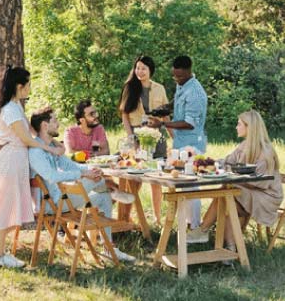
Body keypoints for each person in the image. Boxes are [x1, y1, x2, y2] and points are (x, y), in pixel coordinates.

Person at [0, 66, 65, 268]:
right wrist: (50, 151)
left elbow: (33, 131)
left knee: (15, 207)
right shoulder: (9, 109)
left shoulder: (17, 107)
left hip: (18, 160)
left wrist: (53, 141)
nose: (30, 87)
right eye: (28, 84)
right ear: (19, 86)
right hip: (11, 160)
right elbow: (26, 138)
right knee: (6, 205)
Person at [28, 107, 136, 262]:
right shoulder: (36, 152)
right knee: (93, 179)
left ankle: (109, 249)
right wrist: (83, 174)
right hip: (52, 204)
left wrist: (89, 168)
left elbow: (69, 165)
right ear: (45, 125)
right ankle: (111, 188)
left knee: (103, 197)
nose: (58, 124)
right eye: (55, 120)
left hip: (61, 199)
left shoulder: (50, 147)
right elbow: (51, 176)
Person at [186, 110, 283, 255]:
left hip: (266, 196)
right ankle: (229, 250)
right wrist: (204, 161)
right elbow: (227, 162)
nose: (236, 127)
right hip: (248, 191)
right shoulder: (244, 146)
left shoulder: (266, 151)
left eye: (239, 124)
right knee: (228, 196)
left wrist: (237, 177)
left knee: (227, 194)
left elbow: (263, 183)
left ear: (249, 127)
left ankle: (203, 231)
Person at [148, 55, 208, 228]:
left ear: (189, 71)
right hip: (180, 143)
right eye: (174, 76)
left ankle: (194, 226)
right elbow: (178, 101)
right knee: (181, 185)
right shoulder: (183, 84)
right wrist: (164, 109)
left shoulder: (196, 93)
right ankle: (184, 225)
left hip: (192, 145)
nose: (177, 79)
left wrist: (163, 123)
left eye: (180, 76)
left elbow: (189, 123)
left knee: (190, 185)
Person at [118, 55, 169, 224]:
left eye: (143, 68)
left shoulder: (160, 88)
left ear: (150, 71)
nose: (139, 71)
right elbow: (124, 114)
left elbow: (166, 115)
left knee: (157, 178)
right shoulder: (129, 87)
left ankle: (157, 218)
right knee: (136, 178)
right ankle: (127, 217)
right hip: (137, 135)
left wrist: (173, 134)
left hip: (156, 135)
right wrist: (131, 136)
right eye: (137, 68)